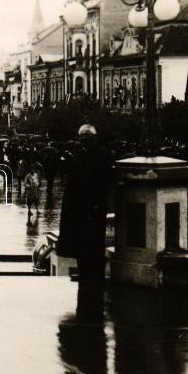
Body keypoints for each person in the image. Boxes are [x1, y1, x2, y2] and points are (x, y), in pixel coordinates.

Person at [57, 124, 112, 293]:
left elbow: (105, 181)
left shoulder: (102, 155)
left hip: (93, 207)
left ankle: (95, 275)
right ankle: (83, 272)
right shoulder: (78, 155)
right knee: (81, 243)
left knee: (94, 243)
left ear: (94, 138)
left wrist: (98, 203)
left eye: (86, 136)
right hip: (78, 208)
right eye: (81, 136)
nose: (83, 140)